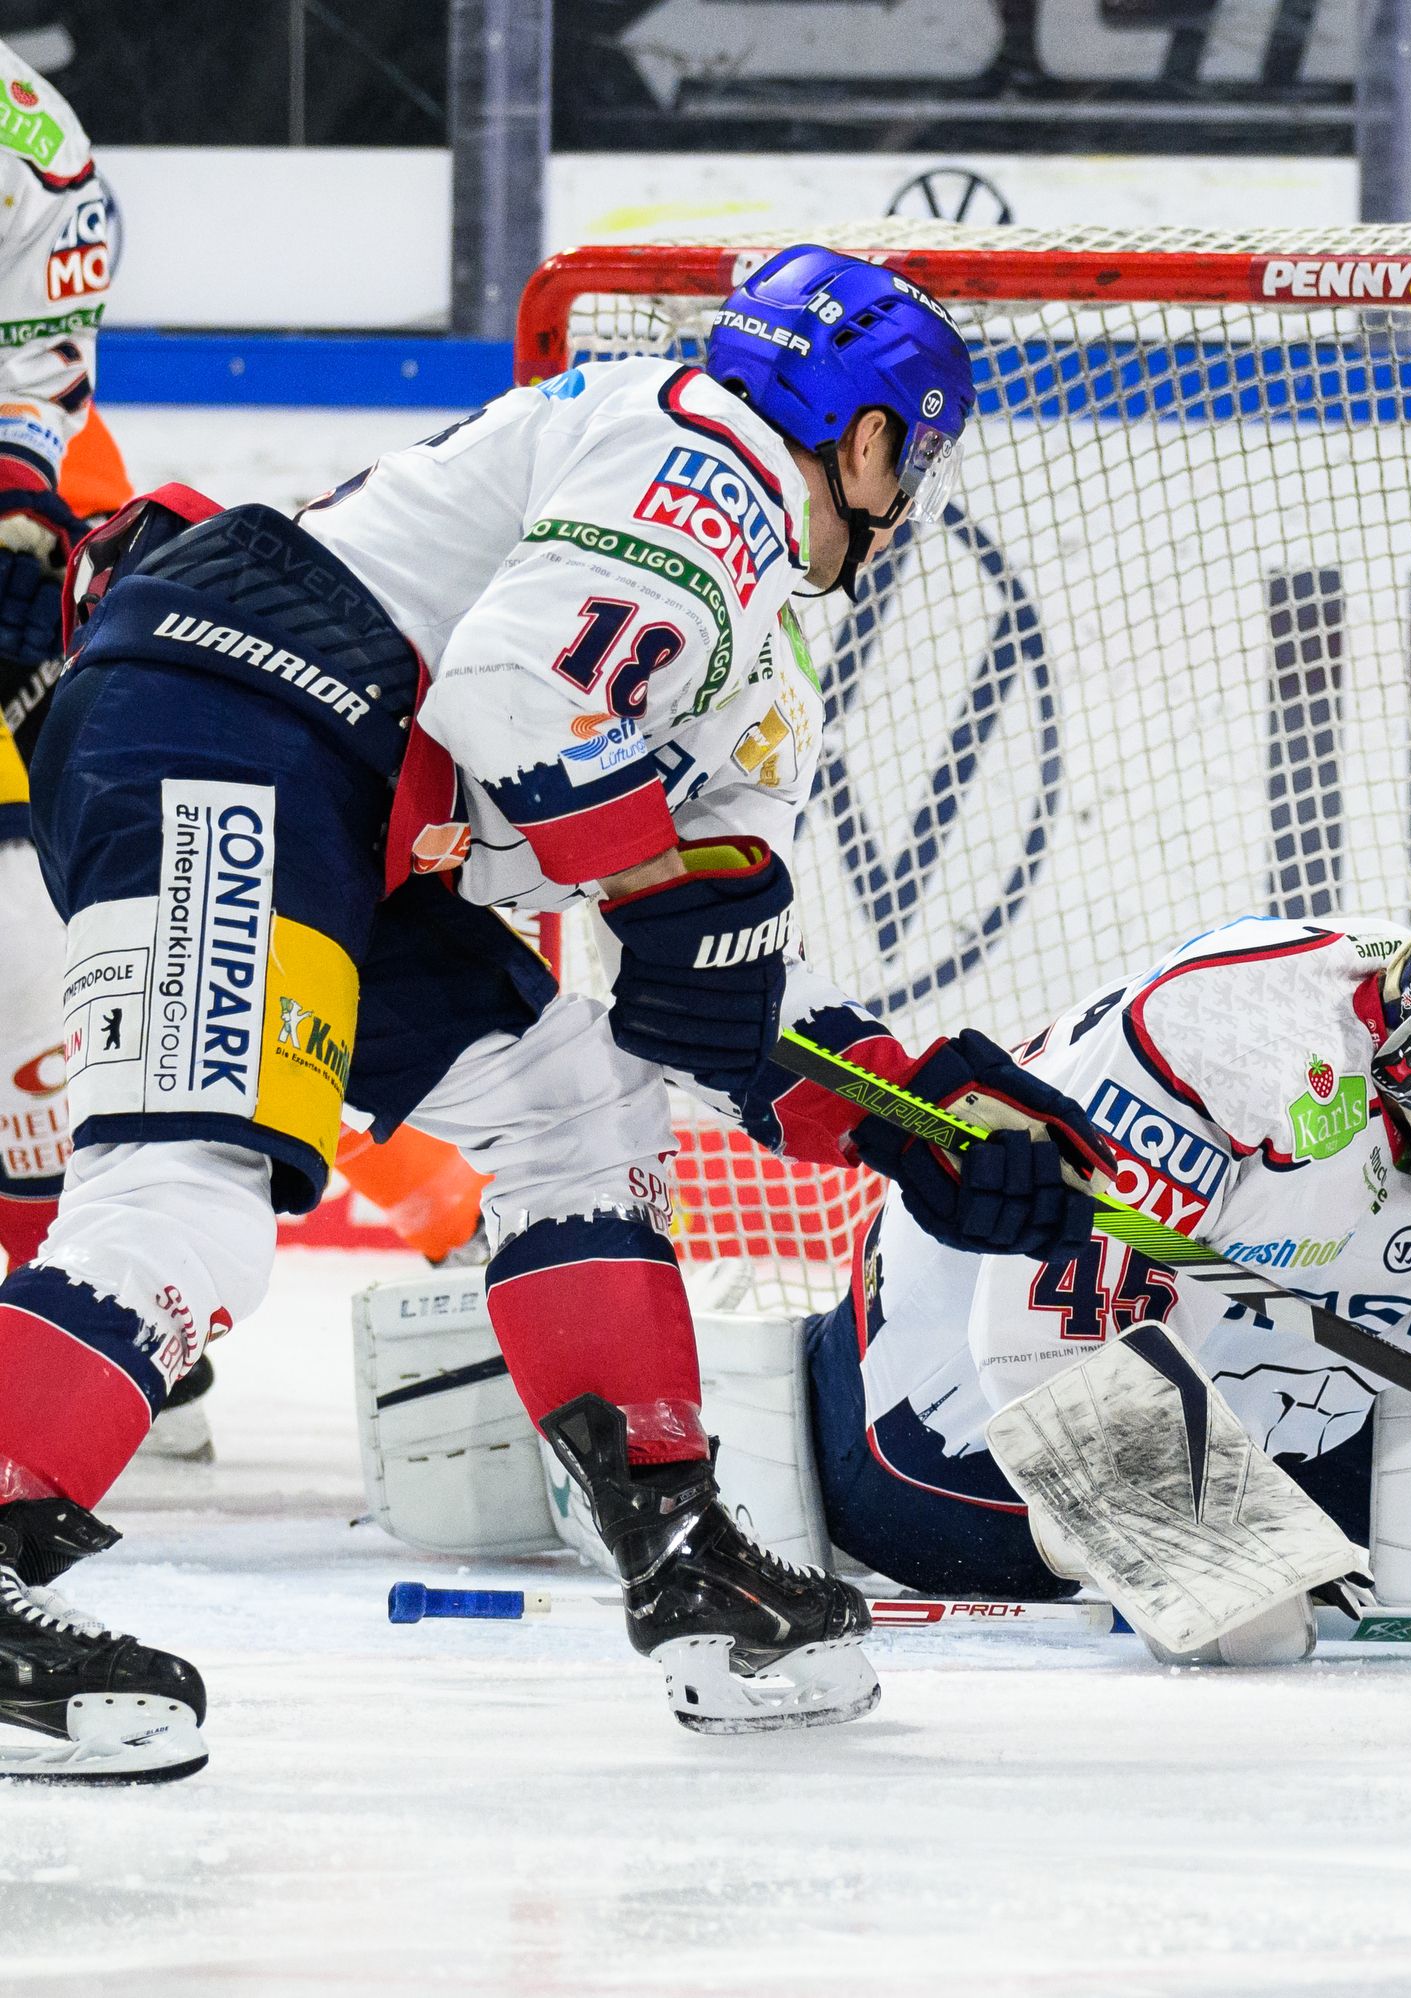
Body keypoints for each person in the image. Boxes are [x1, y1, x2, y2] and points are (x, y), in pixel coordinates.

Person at [0, 245, 1107, 1781]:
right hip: (240, 718)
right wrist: (660, 895)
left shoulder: (755, 634)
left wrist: (915, 1121)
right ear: (862, 436)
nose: (905, 487)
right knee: (188, 1186)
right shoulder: (708, 456)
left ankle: (685, 1559)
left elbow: (709, 1013)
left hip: (347, 801)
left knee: (574, 1099)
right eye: (908, 450)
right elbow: (520, 695)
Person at [807, 880, 1411, 1663]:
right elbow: (1043, 1349)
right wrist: (1207, 1567)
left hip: (1282, 1407)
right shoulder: (1229, 1051)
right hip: (939, 1449)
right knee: (1253, 1634)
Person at [0, 42, 119, 1276]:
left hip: (37, 523)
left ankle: (93, 1283)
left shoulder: (26, 144)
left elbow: (33, 380)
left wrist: (19, 523)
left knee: (95, 906)